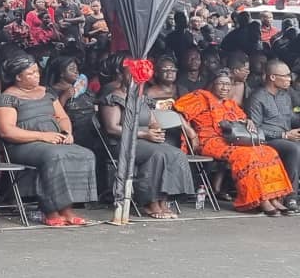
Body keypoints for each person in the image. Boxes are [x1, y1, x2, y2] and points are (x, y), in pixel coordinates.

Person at [0, 54, 97, 226]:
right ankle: (49, 210)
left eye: (37, 71)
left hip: (53, 141)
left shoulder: (47, 92)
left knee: (85, 154)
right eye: (31, 73)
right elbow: (7, 131)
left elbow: (62, 117)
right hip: (24, 144)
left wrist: (67, 133)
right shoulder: (7, 97)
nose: (36, 75)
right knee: (54, 156)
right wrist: (43, 136)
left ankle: (67, 209)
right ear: (18, 77)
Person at [175, 70, 295, 215]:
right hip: (210, 141)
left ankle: (274, 198)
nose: (225, 87)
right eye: (221, 83)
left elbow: (241, 119)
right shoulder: (199, 97)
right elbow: (175, 111)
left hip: (231, 140)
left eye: (228, 84)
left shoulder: (230, 103)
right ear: (212, 84)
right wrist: (191, 133)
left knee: (268, 151)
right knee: (246, 155)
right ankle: (260, 200)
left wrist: (248, 121)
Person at [97, 54, 194, 219]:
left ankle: (164, 200)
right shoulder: (113, 97)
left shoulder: (140, 98)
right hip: (123, 142)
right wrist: (143, 134)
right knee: (158, 154)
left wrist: (155, 130)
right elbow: (111, 128)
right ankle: (150, 202)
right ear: (122, 75)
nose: (135, 78)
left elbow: (152, 121)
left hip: (146, 139)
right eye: (131, 74)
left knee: (176, 153)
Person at [245, 60, 300, 207]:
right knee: (294, 148)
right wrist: (284, 135)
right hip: (268, 140)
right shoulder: (257, 97)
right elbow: (255, 129)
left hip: (288, 136)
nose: (290, 79)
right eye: (286, 76)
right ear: (273, 77)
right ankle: (291, 196)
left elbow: (291, 118)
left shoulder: (285, 96)